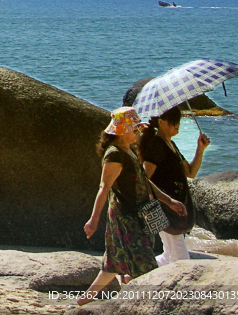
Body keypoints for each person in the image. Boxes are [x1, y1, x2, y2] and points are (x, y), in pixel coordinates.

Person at [78, 107, 187, 307]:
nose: (138, 132)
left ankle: (82, 302)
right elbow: (104, 188)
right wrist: (93, 220)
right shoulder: (114, 155)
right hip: (126, 216)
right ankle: (149, 305)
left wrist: (169, 201)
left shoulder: (129, 150)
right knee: (146, 264)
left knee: (112, 264)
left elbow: (144, 180)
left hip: (140, 213)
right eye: (135, 129)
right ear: (123, 130)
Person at [141, 106, 210, 265]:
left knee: (169, 255)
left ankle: (143, 272)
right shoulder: (156, 145)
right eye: (173, 121)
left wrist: (200, 149)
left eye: (178, 120)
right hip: (163, 207)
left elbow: (190, 172)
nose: (177, 124)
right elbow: (143, 179)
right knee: (181, 258)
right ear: (161, 122)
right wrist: (166, 202)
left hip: (174, 208)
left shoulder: (171, 145)